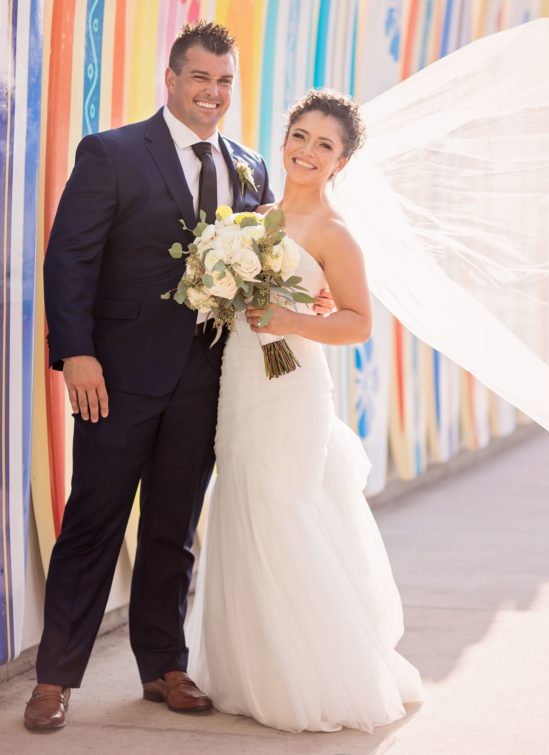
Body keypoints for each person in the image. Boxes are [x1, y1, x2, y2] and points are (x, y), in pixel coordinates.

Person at [25, 21, 333, 732]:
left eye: (225, 82)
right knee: (93, 524)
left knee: (174, 526)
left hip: (206, 380)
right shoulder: (111, 153)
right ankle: (55, 677)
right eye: (201, 78)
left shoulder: (252, 167)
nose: (213, 93)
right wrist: (77, 353)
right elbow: (69, 258)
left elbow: (266, 266)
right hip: (116, 378)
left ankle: (164, 664)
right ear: (171, 79)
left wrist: (302, 297)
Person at [185, 89, 424, 733]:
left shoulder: (334, 232)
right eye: (301, 136)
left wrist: (289, 317)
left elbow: (357, 324)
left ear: (341, 162)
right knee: (240, 499)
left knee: (282, 504)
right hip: (242, 379)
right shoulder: (252, 219)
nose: (308, 152)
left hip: (292, 388)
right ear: (284, 137)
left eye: (326, 145)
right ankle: (249, 669)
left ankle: (309, 674)